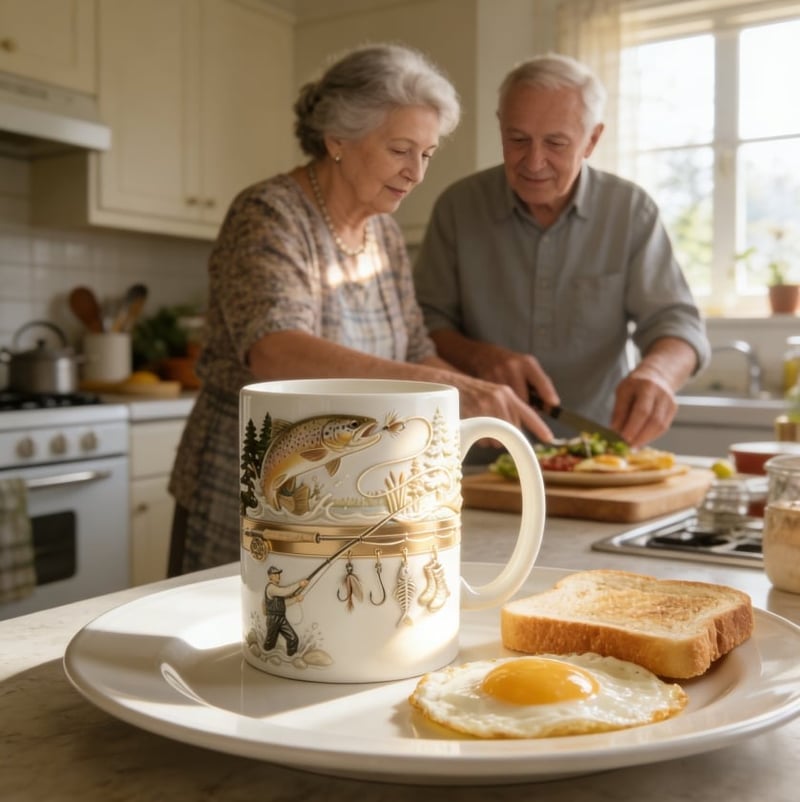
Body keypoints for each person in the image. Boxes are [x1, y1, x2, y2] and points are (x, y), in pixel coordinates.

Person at [168, 44, 552, 575]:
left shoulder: (385, 235)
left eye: (427, 154)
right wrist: (451, 391)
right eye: (401, 149)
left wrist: (481, 408)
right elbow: (276, 352)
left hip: (348, 489)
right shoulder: (268, 213)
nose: (416, 173)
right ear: (338, 140)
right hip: (251, 480)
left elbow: (417, 350)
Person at [413, 53, 710, 450]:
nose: (534, 162)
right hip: (479, 449)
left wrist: (656, 374)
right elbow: (423, 323)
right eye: (518, 140)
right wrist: (479, 356)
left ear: (592, 139)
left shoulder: (630, 211)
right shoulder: (458, 207)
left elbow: (677, 323)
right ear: (501, 127)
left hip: (597, 452)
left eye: (555, 143)